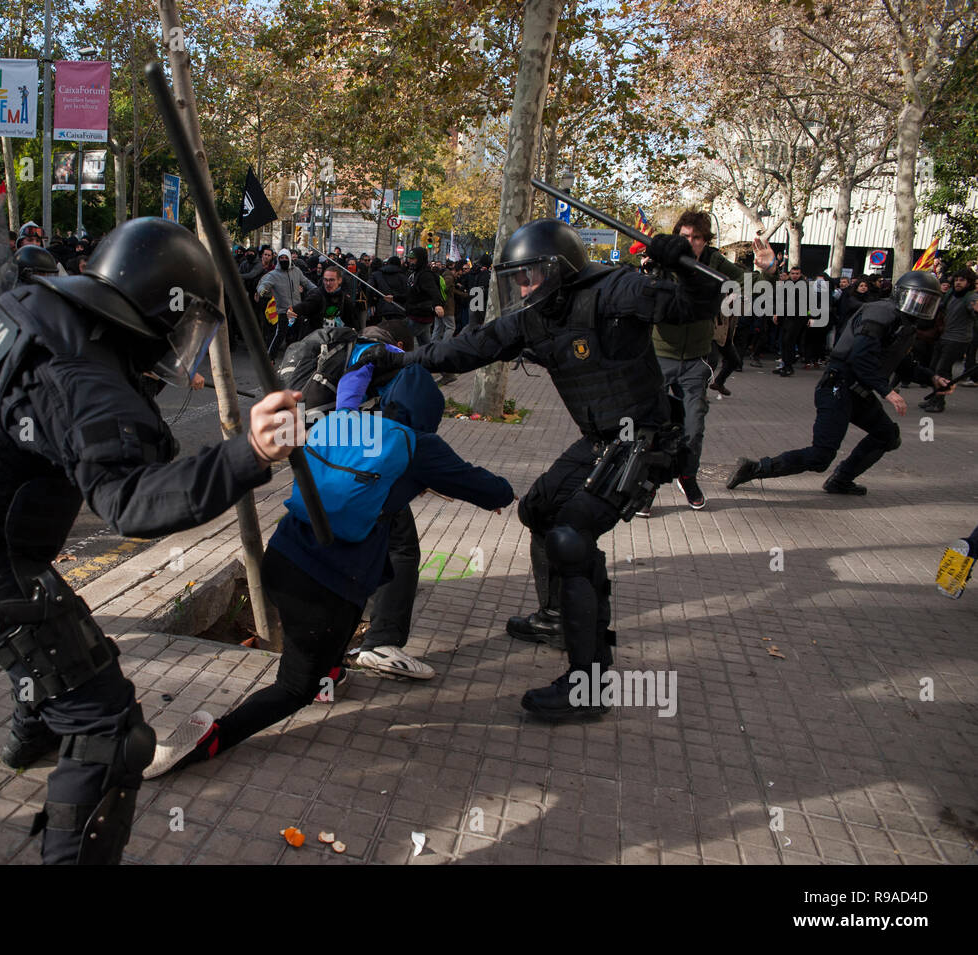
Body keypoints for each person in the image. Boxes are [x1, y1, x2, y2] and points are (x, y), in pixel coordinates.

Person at [0, 217, 302, 865]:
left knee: (57, 642)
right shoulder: (88, 377)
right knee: (111, 727)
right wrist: (251, 451)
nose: (181, 349)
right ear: (158, 310)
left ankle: (30, 737)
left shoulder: (27, 305)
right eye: (185, 328)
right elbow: (132, 500)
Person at [353, 219, 719, 721]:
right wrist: (398, 359)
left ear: (561, 270)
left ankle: (589, 684)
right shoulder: (533, 317)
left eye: (531, 276)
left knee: (571, 537)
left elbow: (696, 304)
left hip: (643, 442)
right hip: (598, 442)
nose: (523, 288)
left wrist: (683, 266)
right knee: (540, 510)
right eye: (516, 279)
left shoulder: (614, 289)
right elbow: (470, 347)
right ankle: (555, 617)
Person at [143, 366, 514, 777]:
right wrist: (502, 493)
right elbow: (485, 487)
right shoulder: (419, 445)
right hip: (326, 591)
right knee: (293, 689)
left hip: (281, 561)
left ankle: (331, 672)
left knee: (362, 592)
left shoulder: (341, 420)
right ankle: (211, 739)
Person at [727, 270, 953, 496]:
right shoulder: (880, 314)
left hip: (859, 392)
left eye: (927, 300)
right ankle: (754, 468)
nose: (921, 304)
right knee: (820, 456)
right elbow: (860, 358)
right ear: (903, 294)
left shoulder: (904, 324)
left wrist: (933, 379)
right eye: (918, 297)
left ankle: (841, 479)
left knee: (887, 435)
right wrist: (888, 392)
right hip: (838, 388)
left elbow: (901, 362)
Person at [650, 212, 779, 512]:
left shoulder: (715, 261)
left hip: (696, 359)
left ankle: (687, 475)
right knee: (652, 424)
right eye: (685, 237)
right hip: (658, 355)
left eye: (696, 238)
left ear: (705, 241)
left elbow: (753, 288)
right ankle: (647, 484)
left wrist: (768, 268)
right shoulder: (664, 258)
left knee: (693, 425)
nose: (690, 243)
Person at [920, 268, 975, 412]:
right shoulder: (951, 294)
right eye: (956, 280)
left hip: (958, 339)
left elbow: (974, 307)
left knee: (943, 369)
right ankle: (934, 397)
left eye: (962, 280)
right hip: (944, 336)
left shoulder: (970, 296)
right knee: (933, 368)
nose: (958, 283)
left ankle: (939, 401)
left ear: (969, 282)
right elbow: (941, 306)